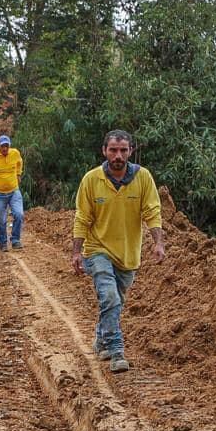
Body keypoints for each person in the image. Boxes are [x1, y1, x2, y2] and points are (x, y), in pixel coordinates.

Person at [72, 129, 165, 373]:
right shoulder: (91, 180)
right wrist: (76, 251)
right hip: (97, 250)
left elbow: (152, 211)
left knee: (116, 302)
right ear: (104, 151)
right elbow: (82, 218)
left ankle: (101, 338)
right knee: (110, 298)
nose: (118, 155)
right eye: (113, 150)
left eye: (123, 150)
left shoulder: (143, 178)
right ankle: (116, 351)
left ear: (130, 152)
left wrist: (158, 242)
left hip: (128, 254)